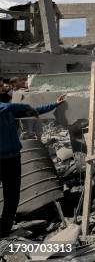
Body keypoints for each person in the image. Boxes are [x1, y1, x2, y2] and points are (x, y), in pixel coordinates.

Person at [1, 92, 66, 238]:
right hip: (5, 159)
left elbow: (33, 111)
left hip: (13, 157)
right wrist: (20, 106)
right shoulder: (5, 108)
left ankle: (4, 231)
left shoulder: (7, 109)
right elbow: (20, 107)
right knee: (11, 195)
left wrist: (55, 104)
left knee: (12, 196)